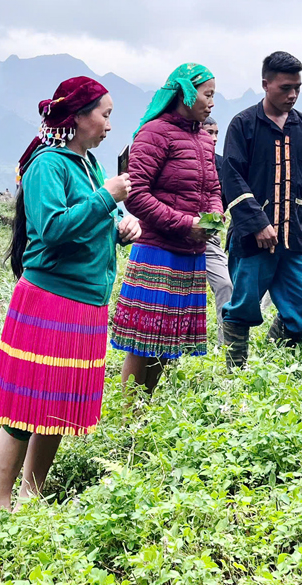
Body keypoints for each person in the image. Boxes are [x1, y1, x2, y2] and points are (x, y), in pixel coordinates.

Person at [0, 77, 139, 509]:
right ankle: (0, 507)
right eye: (105, 115)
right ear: (77, 118)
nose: (110, 125)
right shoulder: (47, 166)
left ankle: (31, 497)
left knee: (55, 409)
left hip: (87, 303)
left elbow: (89, 224)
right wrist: (106, 200)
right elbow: (52, 229)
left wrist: (119, 229)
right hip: (49, 300)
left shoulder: (88, 165)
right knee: (22, 411)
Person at [110, 64, 222, 393]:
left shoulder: (203, 137)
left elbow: (213, 189)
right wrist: (186, 224)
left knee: (169, 338)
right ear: (186, 94)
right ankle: (130, 414)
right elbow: (137, 194)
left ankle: (146, 405)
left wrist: (212, 219)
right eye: (207, 94)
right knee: (142, 341)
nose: (211, 103)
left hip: (191, 250)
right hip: (158, 249)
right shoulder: (154, 133)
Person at [220, 51, 302, 368]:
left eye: (297, 87)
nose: (292, 95)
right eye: (285, 87)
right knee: (243, 306)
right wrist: (256, 222)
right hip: (252, 241)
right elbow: (231, 177)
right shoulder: (243, 125)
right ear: (265, 85)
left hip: (293, 237)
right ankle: (237, 377)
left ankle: (277, 362)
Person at [201, 116, 235, 343]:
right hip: (176, 235)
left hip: (209, 236)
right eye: (208, 132)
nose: (213, 138)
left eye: (216, 133)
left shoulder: (223, 165)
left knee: (226, 285)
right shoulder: (181, 160)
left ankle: (224, 346)